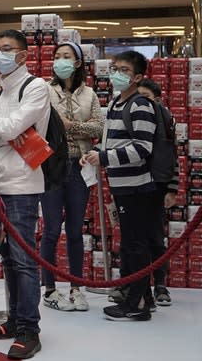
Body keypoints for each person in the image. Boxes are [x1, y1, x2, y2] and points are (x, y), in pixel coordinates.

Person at [0, 29, 49, 359]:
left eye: (7, 49)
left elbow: (7, 128)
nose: (0, 54)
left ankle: (29, 329)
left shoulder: (36, 87)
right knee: (6, 258)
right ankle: (15, 317)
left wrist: (0, 129)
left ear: (23, 55)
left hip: (22, 185)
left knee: (23, 261)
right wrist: (1, 130)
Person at [81, 51, 162, 321]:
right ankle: (136, 295)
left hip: (138, 186)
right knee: (128, 242)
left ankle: (137, 304)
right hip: (121, 184)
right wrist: (97, 152)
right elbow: (114, 142)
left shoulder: (140, 105)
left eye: (124, 69)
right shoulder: (116, 103)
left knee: (136, 244)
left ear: (138, 77)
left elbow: (142, 148)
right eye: (114, 67)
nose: (116, 73)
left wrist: (103, 157)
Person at [40, 42, 104, 312]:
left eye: (66, 56)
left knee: (76, 230)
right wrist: (74, 130)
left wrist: (70, 126)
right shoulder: (44, 89)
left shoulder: (89, 94)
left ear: (77, 63)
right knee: (52, 229)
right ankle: (50, 288)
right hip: (51, 164)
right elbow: (39, 123)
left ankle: (76, 287)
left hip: (80, 165)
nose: (60, 61)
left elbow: (99, 126)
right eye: (56, 56)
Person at [134, 78, 176, 306]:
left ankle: (160, 285)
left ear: (157, 100)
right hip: (132, 186)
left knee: (156, 238)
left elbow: (172, 156)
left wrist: (172, 188)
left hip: (157, 185)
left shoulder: (166, 118)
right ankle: (135, 287)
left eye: (146, 98)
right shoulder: (131, 118)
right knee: (133, 239)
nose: (141, 103)